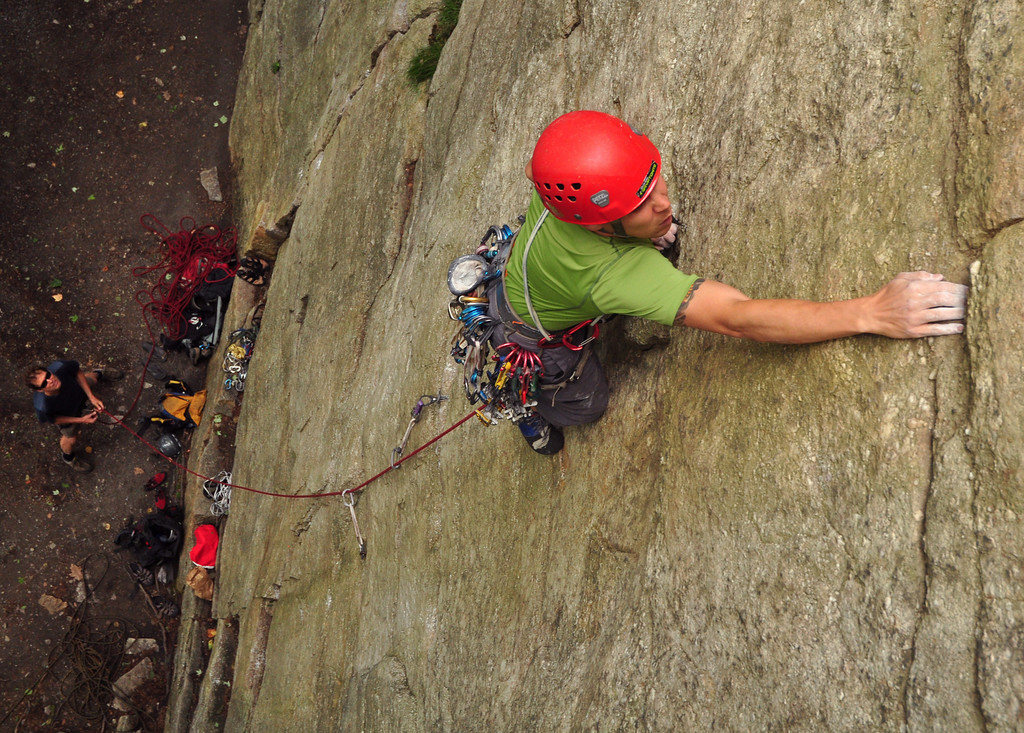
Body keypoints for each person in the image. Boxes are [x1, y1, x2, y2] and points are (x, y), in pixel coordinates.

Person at [495, 110, 968, 454]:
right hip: (531, 334)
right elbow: (737, 318)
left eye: (653, 180)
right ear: (599, 227)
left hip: (529, 266)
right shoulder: (615, 274)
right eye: (637, 208)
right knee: (588, 404)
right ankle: (532, 406)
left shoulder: (562, 175)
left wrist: (640, 221)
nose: (662, 203)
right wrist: (871, 312)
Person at [26, 360, 123, 472]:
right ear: (40, 390)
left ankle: (99, 373)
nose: (51, 380)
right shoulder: (43, 407)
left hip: (77, 389)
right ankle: (69, 458)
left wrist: (91, 397)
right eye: (44, 383)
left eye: (48, 375)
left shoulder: (61, 367)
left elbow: (77, 372)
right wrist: (81, 420)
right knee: (70, 439)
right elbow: (54, 419)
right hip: (68, 413)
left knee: (93, 379)